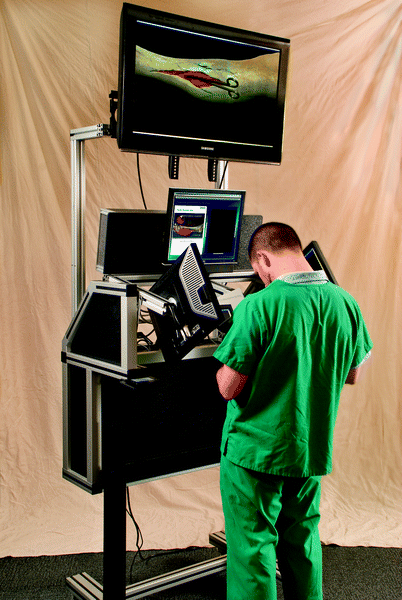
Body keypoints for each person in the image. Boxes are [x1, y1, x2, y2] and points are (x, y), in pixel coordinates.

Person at [213, 223, 372, 600]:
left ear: (264, 258)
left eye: (258, 271)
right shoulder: (345, 302)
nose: (261, 278)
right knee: (301, 543)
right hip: (308, 448)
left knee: (253, 550)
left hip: (255, 453)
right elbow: (353, 374)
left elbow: (228, 387)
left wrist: (225, 363)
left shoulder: (258, 305)